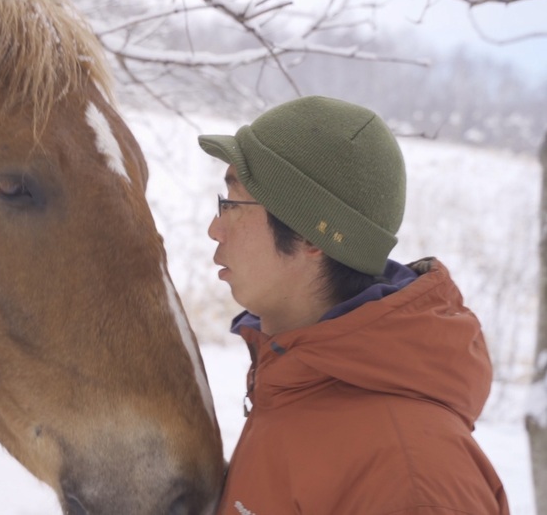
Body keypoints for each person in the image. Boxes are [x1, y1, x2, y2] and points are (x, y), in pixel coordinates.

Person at [198, 95, 509, 514]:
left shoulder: (409, 478)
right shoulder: (295, 382)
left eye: (232, 204)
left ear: (311, 236)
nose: (214, 228)